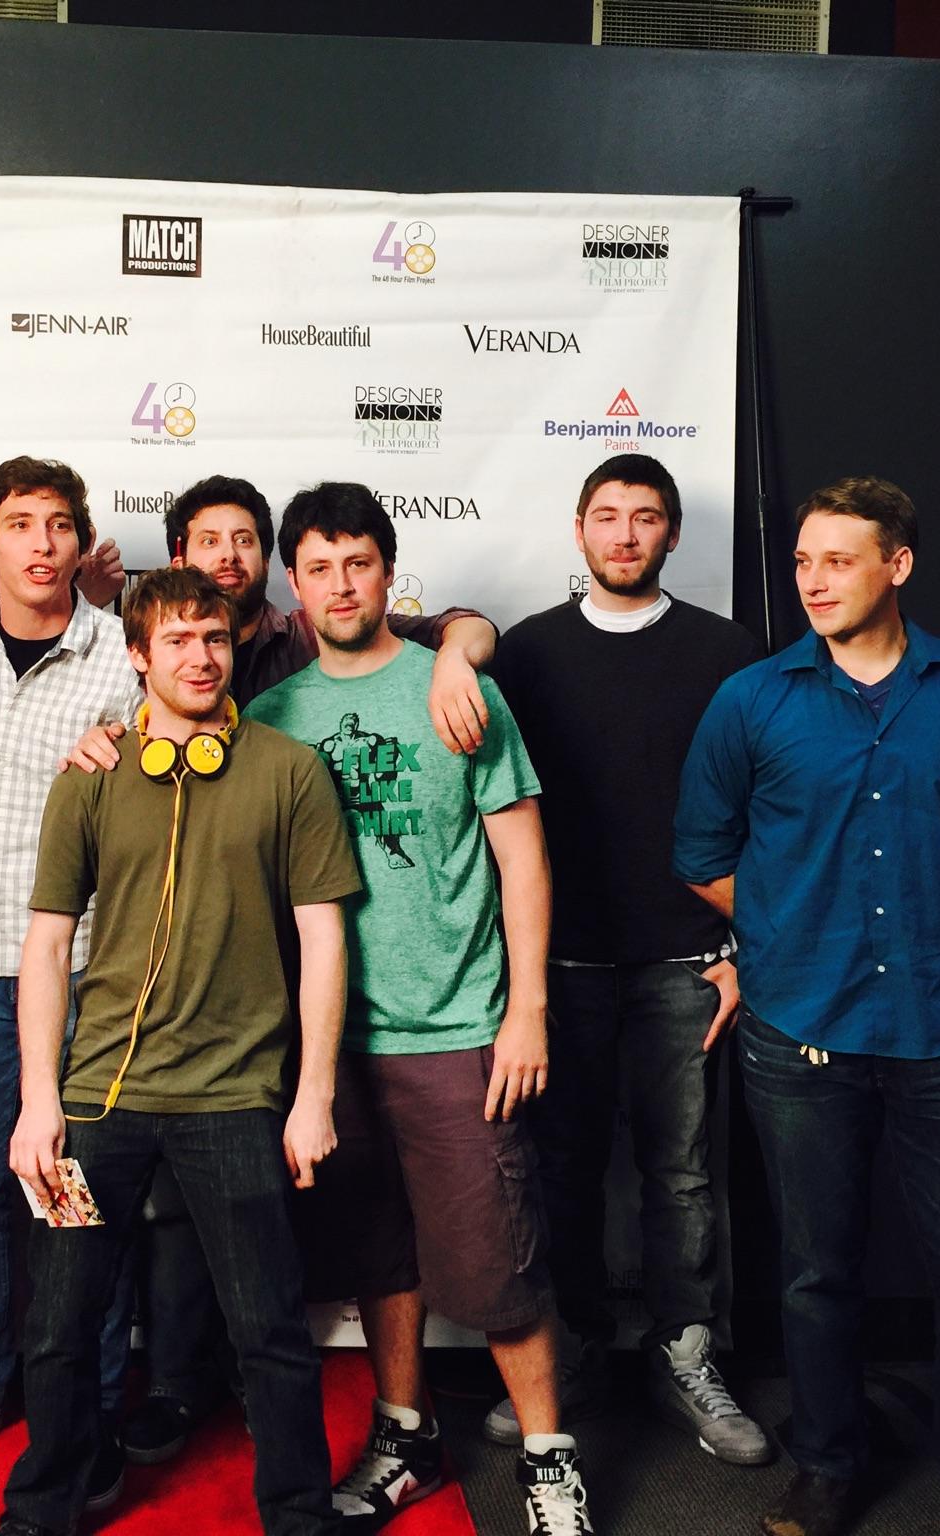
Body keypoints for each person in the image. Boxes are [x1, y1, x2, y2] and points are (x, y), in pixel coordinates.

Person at [67, 472, 502, 1467]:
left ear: (272, 565)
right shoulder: (167, 632)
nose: (225, 558)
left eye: (243, 541)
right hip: (199, 970)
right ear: (176, 557)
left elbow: (460, 621)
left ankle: (239, 1396)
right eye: (206, 541)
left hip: (310, 976)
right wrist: (104, 740)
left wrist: (455, 656)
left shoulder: (312, 630)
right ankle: (169, 1386)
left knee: (263, 1212)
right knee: (169, 1209)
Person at [673, 476, 940, 1536]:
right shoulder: (752, 701)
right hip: (800, 1033)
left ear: (898, 565)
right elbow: (699, 852)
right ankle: (828, 1467)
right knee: (813, 1276)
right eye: (801, 561)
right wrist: (792, 921)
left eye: (837, 559)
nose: (813, 580)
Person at [249, 483, 594, 1536]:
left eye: (358, 563)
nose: (339, 584)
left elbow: (522, 858)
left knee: (494, 1265)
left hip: (454, 1030)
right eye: (317, 567)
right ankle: (403, 1431)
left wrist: (525, 1010)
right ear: (293, 586)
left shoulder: (453, 690)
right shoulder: (268, 717)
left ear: (389, 574)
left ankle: (547, 1459)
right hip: (329, 1050)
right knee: (378, 1255)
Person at [0, 565, 362, 1536]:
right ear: (136, 656)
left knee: (269, 1333)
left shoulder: (288, 770)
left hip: (237, 1097)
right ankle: (40, 1513)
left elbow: (323, 935)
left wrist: (311, 1094)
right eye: (177, 641)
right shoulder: (91, 777)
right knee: (59, 1328)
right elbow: (46, 942)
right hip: (99, 1100)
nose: (200, 657)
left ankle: (297, 1517)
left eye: (215, 638)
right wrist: (40, 1098)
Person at [485, 453, 770, 1462]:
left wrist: (747, 945)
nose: (622, 535)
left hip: (682, 962)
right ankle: (571, 1348)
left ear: (671, 536)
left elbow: (767, 808)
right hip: (557, 966)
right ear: (576, 531)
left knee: (682, 1174)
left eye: (643, 518)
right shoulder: (525, 653)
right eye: (604, 517)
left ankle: (684, 1351)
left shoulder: (728, 655)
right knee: (558, 1169)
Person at [0, 457, 144, 1495]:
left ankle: (88, 1398)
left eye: (58, 524)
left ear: (79, 543)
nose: (40, 543)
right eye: (19, 524)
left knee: (79, 1193)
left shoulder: (120, 660)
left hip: (87, 969)